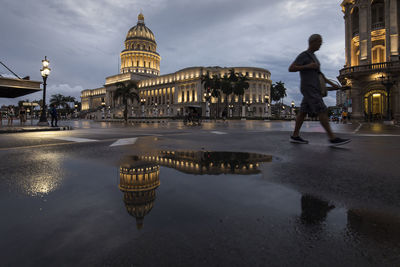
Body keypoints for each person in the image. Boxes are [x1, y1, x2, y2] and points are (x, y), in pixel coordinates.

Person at [288, 34, 351, 146]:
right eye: (319, 42)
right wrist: (308, 66)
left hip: (314, 88)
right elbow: (291, 68)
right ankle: (332, 138)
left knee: (302, 112)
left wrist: (335, 85)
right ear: (313, 42)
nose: (321, 45)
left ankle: (295, 136)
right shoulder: (304, 55)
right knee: (322, 110)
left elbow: (321, 76)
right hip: (309, 88)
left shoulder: (314, 57)